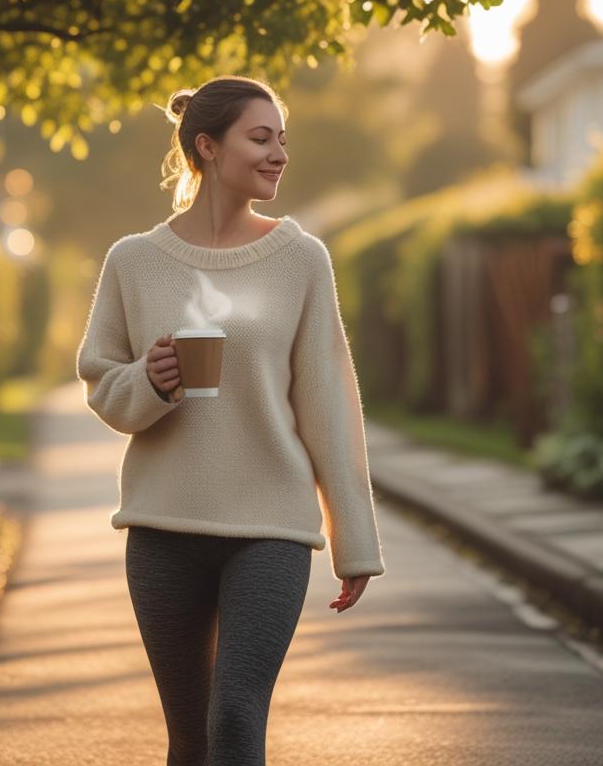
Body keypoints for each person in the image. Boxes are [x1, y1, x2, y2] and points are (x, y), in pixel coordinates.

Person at [75, 74, 386, 766]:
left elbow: (329, 404)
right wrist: (150, 384)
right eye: (261, 137)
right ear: (208, 146)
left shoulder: (303, 259)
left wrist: (354, 539)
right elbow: (102, 384)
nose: (278, 154)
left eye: (282, 140)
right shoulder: (134, 261)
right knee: (189, 735)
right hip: (162, 528)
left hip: (270, 530)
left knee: (237, 715)